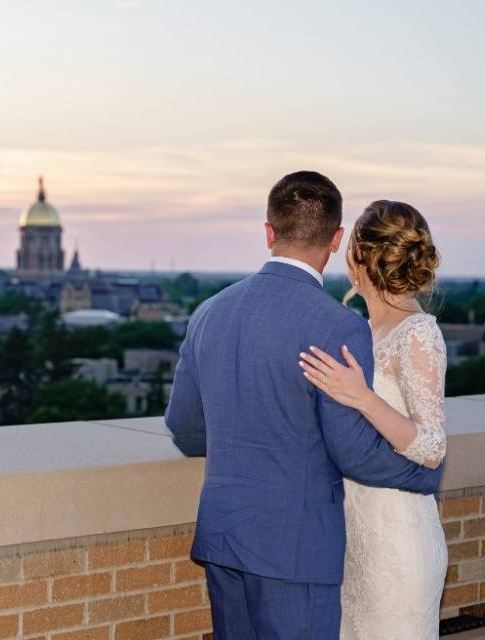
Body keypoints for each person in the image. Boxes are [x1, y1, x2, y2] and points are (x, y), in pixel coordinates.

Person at [164, 171, 442, 639]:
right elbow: (352, 451)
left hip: (224, 536)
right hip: (295, 549)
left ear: (269, 232)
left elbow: (185, 427)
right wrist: (423, 474)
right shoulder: (338, 326)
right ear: (335, 240)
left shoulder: (208, 312)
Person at [299, 199, 447, 639]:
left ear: (358, 256)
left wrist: (363, 397)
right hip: (356, 537)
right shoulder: (364, 328)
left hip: (399, 540)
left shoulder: (418, 333)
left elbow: (433, 447)